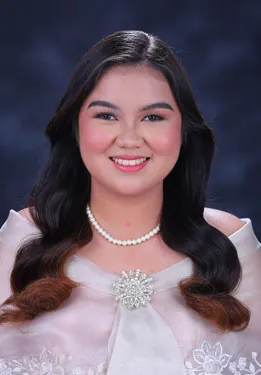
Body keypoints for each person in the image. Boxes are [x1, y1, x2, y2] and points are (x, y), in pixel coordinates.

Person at [0, 30, 260, 375]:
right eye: (106, 116)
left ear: (183, 130)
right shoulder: (21, 244)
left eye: (153, 117)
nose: (129, 138)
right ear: (75, 127)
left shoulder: (233, 247)